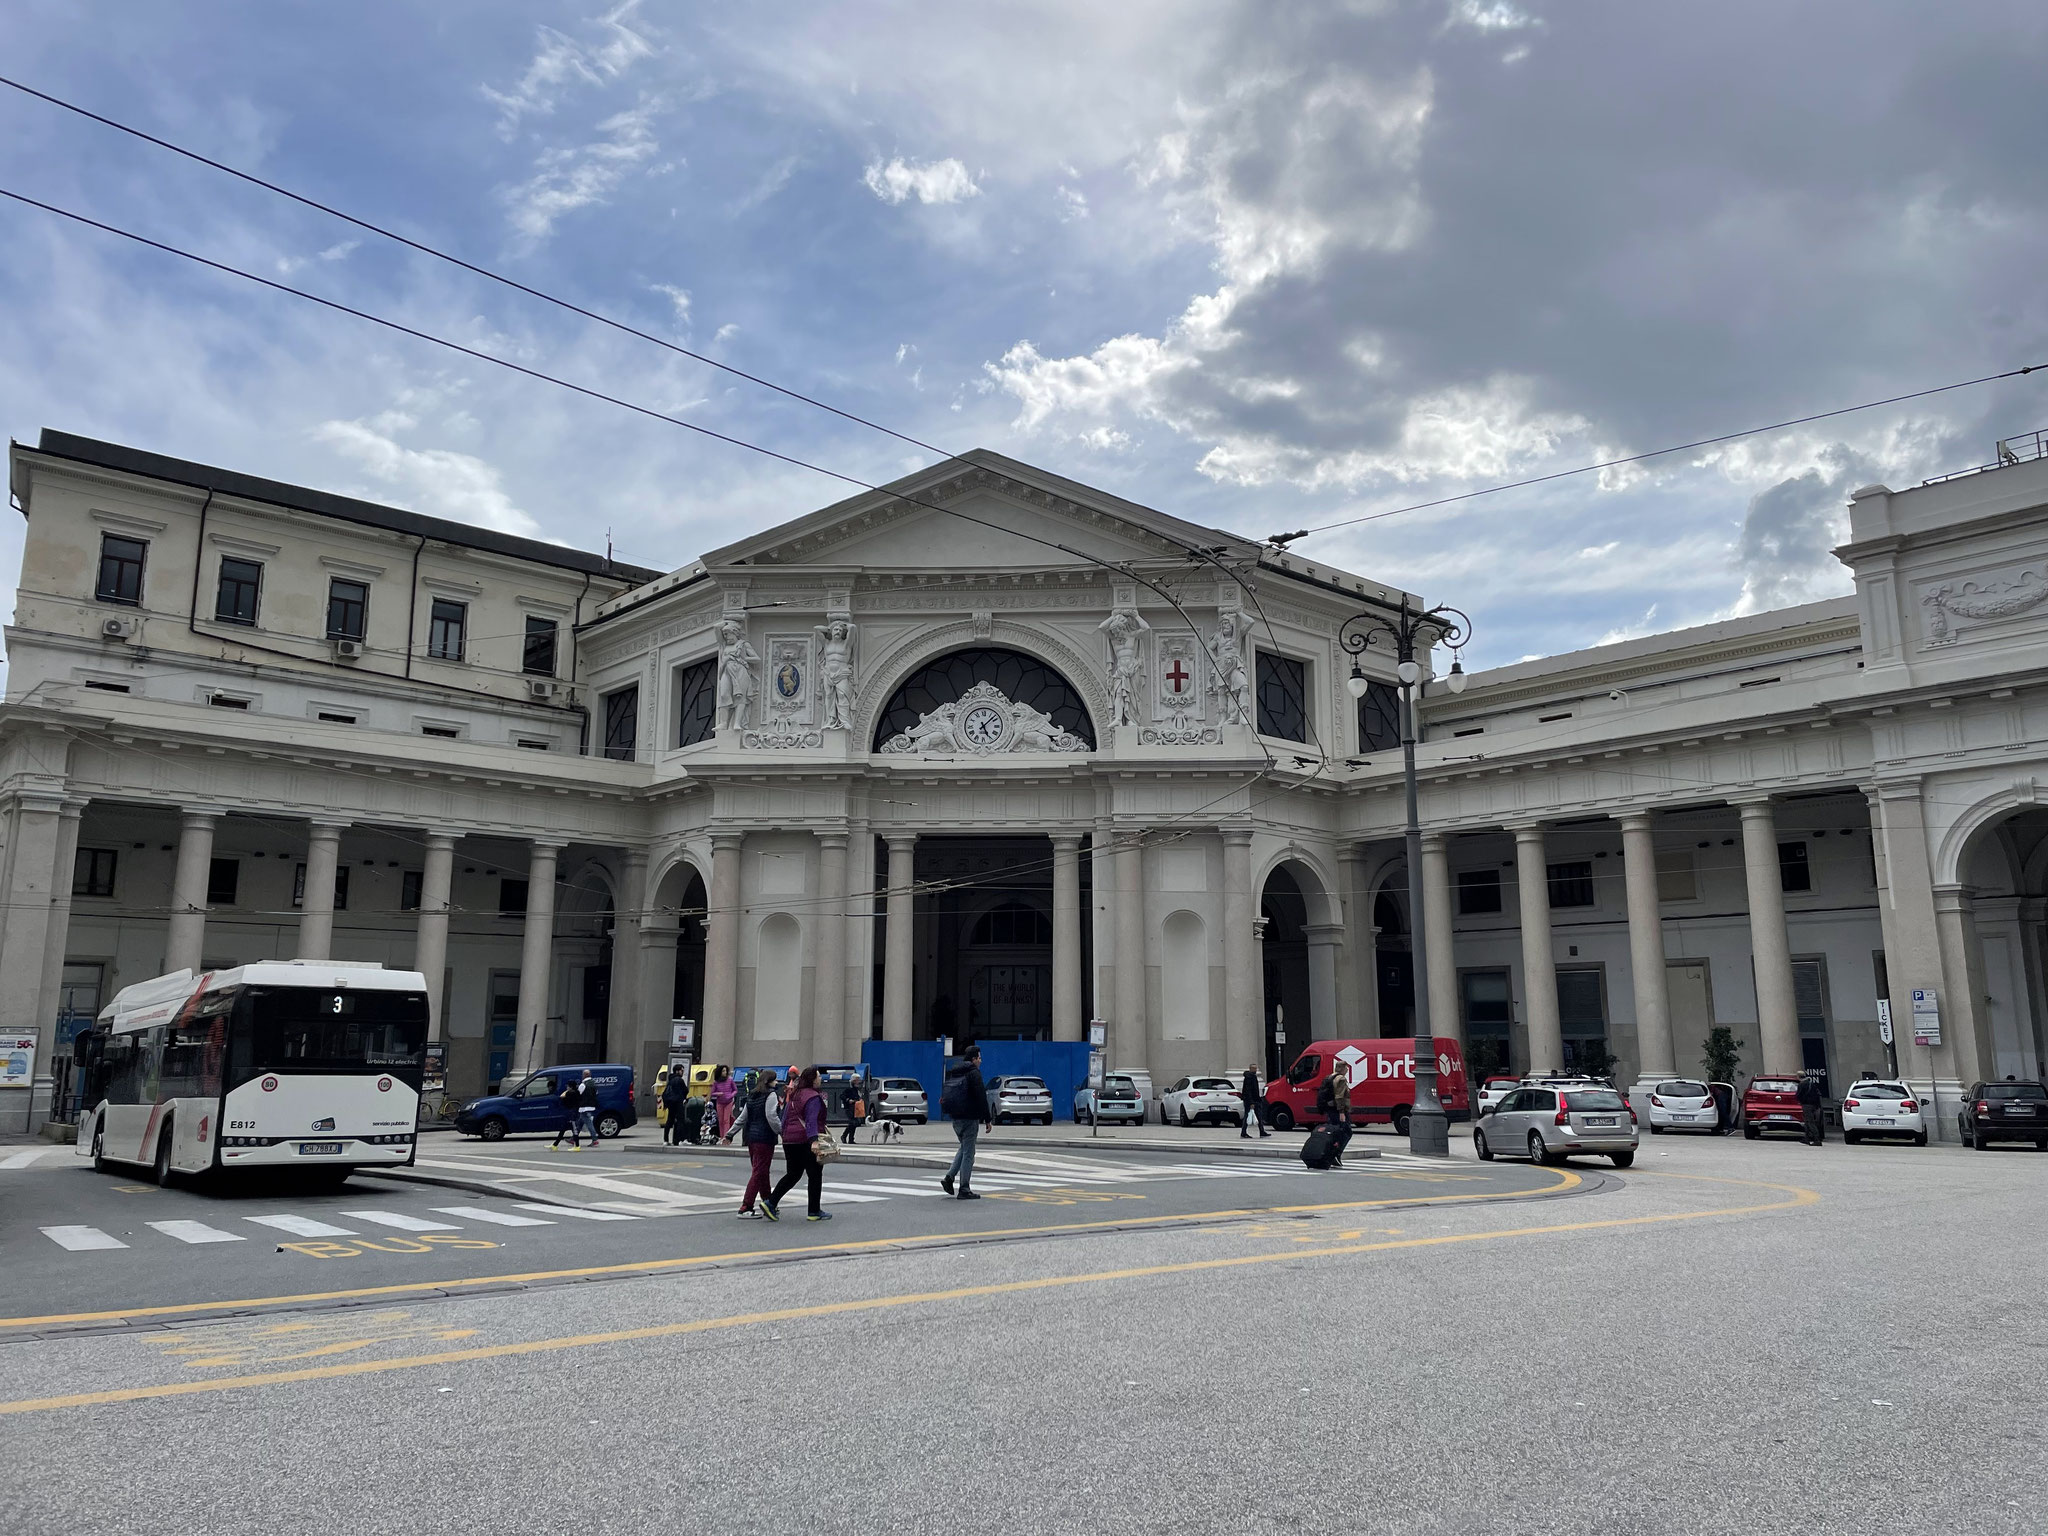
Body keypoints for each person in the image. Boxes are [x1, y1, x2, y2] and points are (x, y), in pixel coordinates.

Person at [763, 1066, 830, 1222]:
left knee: (793, 1174)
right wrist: (813, 1140)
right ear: (812, 1079)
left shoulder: (794, 1095)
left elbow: (785, 1117)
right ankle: (814, 1211)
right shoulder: (813, 1096)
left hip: (790, 1140)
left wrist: (784, 1135)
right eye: (818, 1076)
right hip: (805, 1140)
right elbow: (811, 1120)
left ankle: (771, 1202)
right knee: (815, 1175)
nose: (820, 1079)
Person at [726, 1070, 782, 1218]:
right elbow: (772, 1116)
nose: (777, 1083)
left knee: (762, 1172)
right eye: (775, 1080)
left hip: (752, 1138)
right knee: (759, 1172)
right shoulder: (771, 1095)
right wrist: (782, 1131)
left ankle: (768, 1202)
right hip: (765, 1138)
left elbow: (742, 1117)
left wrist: (730, 1133)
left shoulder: (752, 1095)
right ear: (769, 1082)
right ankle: (746, 1206)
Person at [939, 1045, 992, 1199]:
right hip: (970, 1118)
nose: (981, 1061)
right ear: (974, 1059)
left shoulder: (954, 1071)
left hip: (955, 1118)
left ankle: (949, 1178)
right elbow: (981, 1096)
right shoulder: (974, 1073)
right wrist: (987, 1119)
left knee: (964, 1148)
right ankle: (964, 1188)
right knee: (969, 1153)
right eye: (979, 1058)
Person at [1318, 1066, 1353, 1167]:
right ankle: (1336, 1154)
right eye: (1346, 1068)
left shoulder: (1329, 1077)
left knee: (1334, 1133)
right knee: (1347, 1132)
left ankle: (1329, 1154)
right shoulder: (1341, 1079)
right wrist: (1341, 1112)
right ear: (1342, 1069)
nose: (1347, 1070)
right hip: (1338, 1111)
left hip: (1331, 1110)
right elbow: (1339, 1096)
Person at [550, 1074, 582, 1150]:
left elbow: (562, 1097)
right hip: (574, 1113)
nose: (566, 1087)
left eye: (568, 1086)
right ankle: (555, 1144)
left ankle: (577, 1146)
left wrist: (566, 1092)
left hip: (571, 1114)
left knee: (573, 1130)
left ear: (570, 1087)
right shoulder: (577, 1093)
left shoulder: (569, 1093)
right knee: (564, 1129)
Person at [660, 1067, 690, 1147]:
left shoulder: (670, 1080)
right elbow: (685, 1090)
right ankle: (681, 1140)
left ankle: (665, 1140)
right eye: (681, 1070)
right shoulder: (679, 1080)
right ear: (677, 1071)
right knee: (680, 1120)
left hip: (670, 1103)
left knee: (669, 1120)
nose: (682, 1072)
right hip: (678, 1102)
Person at [1240, 1063, 1269, 1139]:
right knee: (1247, 1116)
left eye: (1256, 1068)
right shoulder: (1249, 1077)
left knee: (1259, 1116)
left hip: (1254, 1099)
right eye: (1254, 1068)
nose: (1255, 1070)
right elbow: (1248, 1091)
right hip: (1250, 1101)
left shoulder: (1252, 1076)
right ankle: (1243, 1132)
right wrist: (1251, 1102)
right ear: (1250, 1069)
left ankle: (1261, 1131)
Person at [574, 1069, 600, 1149]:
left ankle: (594, 1139)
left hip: (584, 1107)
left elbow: (578, 1095)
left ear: (584, 1075)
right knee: (580, 1122)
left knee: (589, 1123)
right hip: (591, 1106)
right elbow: (596, 1093)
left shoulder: (583, 1085)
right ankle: (574, 1137)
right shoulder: (594, 1084)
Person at [1797, 1069, 1824, 1146]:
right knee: (1807, 1122)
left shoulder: (1802, 1084)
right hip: (1813, 1105)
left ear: (1798, 1076)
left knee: (1810, 1122)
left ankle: (1817, 1139)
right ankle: (1807, 1138)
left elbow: (1799, 1095)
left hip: (1806, 1105)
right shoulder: (1811, 1083)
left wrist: (1800, 1101)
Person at [710, 1065, 737, 1139]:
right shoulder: (716, 1082)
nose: (725, 1072)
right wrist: (718, 1094)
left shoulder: (730, 1080)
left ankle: (726, 1137)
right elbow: (712, 1093)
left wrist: (731, 1095)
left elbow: (735, 1090)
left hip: (729, 1102)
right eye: (723, 1071)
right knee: (721, 1120)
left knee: (726, 1120)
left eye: (725, 1071)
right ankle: (722, 1136)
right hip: (720, 1102)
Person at [843, 1073, 867, 1145]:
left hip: (856, 1108)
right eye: (857, 1080)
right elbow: (842, 1096)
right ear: (853, 1080)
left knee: (855, 1123)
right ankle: (844, 1136)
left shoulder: (857, 1089)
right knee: (852, 1122)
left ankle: (850, 1139)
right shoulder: (848, 1089)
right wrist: (848, 1100)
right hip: (849, 1108)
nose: (858, 1081)